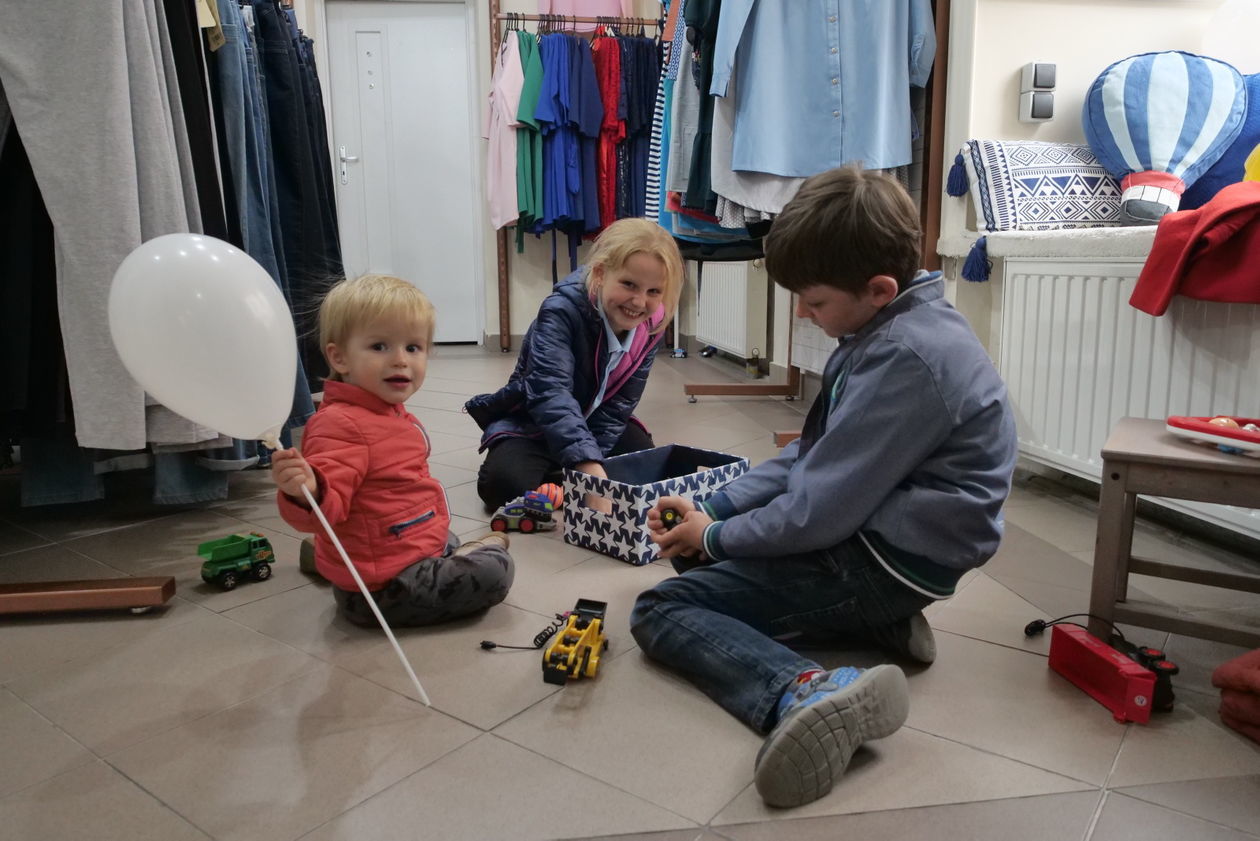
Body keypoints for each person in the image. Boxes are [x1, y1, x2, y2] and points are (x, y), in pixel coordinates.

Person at [630, 166, 1019, 808]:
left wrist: (717, 536)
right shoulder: (890, 324)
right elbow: (812, 455)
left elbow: (817, 513)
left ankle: (806, 688)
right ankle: (881, 627)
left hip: (883, 558)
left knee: (663, 608)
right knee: (701, 553)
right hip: (892, 542)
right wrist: (712, 510)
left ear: (878, 289)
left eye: (813, 302)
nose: (803, 313)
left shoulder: (903, 357)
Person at [271, 274, 514, 627]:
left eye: (413, 348)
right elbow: (324, 504)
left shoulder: (384, 410)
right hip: (382, 590)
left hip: (393, 547)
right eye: (380, 346)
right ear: (339, 358)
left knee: (445, 535)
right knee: (496, 572)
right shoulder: (340, 424)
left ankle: (325, 556)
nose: (400, 360)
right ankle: (467, 556)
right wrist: (306, 491)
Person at [466, 218, 685, 511]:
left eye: (653, 291)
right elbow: (549, 394)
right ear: (600, 273)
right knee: (502, 486)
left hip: (594, 423)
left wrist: (592, 460)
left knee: (645, 467)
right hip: (534, 424)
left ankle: (562, 477)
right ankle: (566, 474)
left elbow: (620, 405)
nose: (638, 302)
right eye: (628, 284)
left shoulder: (651, 325)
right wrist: (588, 467)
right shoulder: (561, 311)